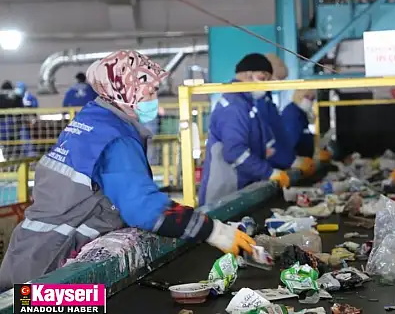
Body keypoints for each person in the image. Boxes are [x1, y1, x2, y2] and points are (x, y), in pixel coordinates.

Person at [0, 51, 256, 289]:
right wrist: (213, 231)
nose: (155, 100)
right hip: (48, 275)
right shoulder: (114, 139)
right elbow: (143, 208)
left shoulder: (93, 119)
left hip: (29, 257)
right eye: (151, 92)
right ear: (125, 91)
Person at [199, 53, 291, 206]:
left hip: (239, 189)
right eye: (263, 79)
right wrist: (268, 172)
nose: (267, 85)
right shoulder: (234, 107)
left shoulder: (247, 104)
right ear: (248, 75)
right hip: (224, 193)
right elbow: (235, 152)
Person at [257, 54, 315, 177]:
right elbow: (271, 142)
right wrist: (291, 161)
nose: (278, 84)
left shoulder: (268, 102)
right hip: (266, 169)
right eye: (277, 79)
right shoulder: (259, 104)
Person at [0, 81, 23, 160]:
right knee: (13, 144)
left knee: (4, 144)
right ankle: (11, 160)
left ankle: (5, 160)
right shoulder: (17, 97)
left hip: (3, 124)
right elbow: (21, 110)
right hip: (13, 124)